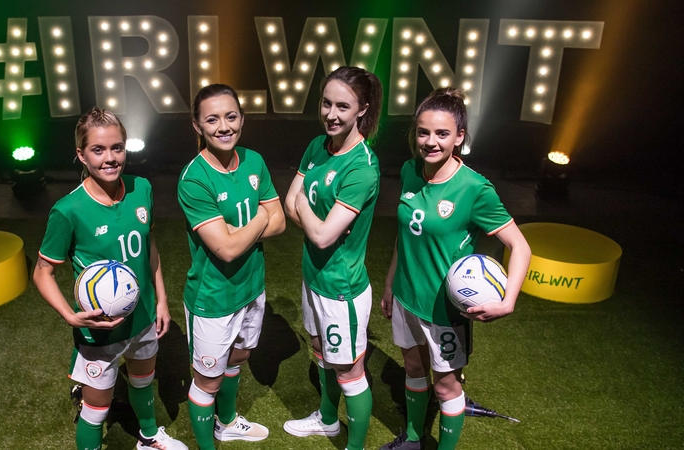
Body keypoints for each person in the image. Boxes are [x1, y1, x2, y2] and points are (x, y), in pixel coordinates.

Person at [379, 88, 532, 450]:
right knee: (414, 369)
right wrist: (389, 283)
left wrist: (508, 300)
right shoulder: (410, 170)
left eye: (442, 134)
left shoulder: (475, 189)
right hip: (406, 297)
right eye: (423, 132)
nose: (430, 142)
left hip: (445, 311)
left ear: (460, 137)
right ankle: (414, 438)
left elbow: (520, 246)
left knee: (447, 385)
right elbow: (406, 235)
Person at [33, 107, 188, 450]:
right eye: (98, 150)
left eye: (117, 147)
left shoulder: (141, 187)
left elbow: (149, 246)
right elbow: (42, 272)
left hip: (144, 315)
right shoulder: (68, 210)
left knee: (143, 381)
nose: (110, 158)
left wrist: (161, 299)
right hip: (99, 329)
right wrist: (69, 315)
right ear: (81, 154)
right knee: (96, 408)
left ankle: (149, 438)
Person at [178, 84, 286, 450]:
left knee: (239, 356)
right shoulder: (194, 179)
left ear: (241, 118)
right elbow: (225, 249)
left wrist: (246, 231)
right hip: (213, 299)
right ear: (197, 125)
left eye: (231, 116)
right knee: (206, 382)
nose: (223, 126)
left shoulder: (254, 161)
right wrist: (259, 217)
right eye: (212, 119)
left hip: (252, 287)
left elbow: (282, 222)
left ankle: (226, 423)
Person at [282, 66, 383, 450]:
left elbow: (321, 234)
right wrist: (311, 216)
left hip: (342, 288)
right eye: (326, 103)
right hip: (313, 277)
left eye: (343, 106)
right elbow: (292, 208)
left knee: (350, 371)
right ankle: (327, 420)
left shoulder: (361, 166)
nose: (331, 114)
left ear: (362, 110)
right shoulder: (316, 146)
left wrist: (307, 209)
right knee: (322, 354)